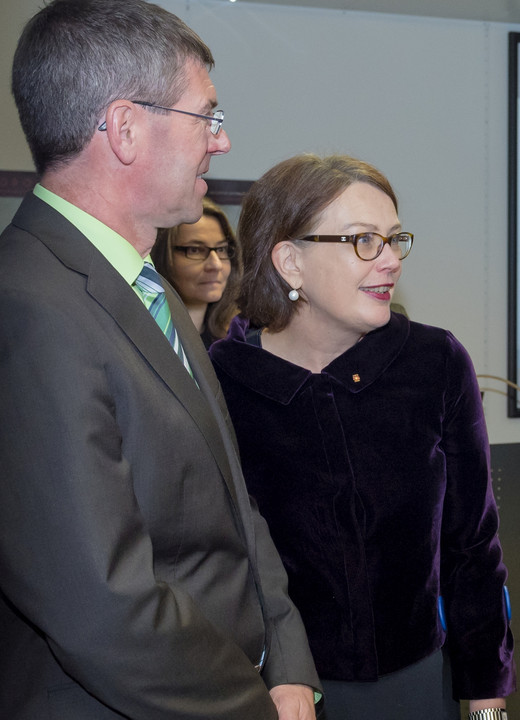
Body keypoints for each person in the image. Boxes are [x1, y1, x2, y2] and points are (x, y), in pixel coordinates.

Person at [0, 1, 320, 718]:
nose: (223, 139)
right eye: (206, 116)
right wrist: (254, 706)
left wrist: (289, 662)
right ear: (123, 127)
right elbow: (100, 605)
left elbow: (235, 505)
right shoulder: (28, 305)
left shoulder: (147, 288)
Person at [208, 153, 515, 720]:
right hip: (273, 690)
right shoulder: (223, 381)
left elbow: (472, 545)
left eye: (395, 239)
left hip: (417, 681)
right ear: (289, 261)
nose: (391, 260)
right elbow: (219, 559)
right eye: (363, 241)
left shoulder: (434, 362)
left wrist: (485, 695)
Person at [154, 196, 241, 347]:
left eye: (221, 249)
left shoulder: (237, 342)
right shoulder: (149, 339)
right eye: (195, 250)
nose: (216, 265)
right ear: (163, 256)